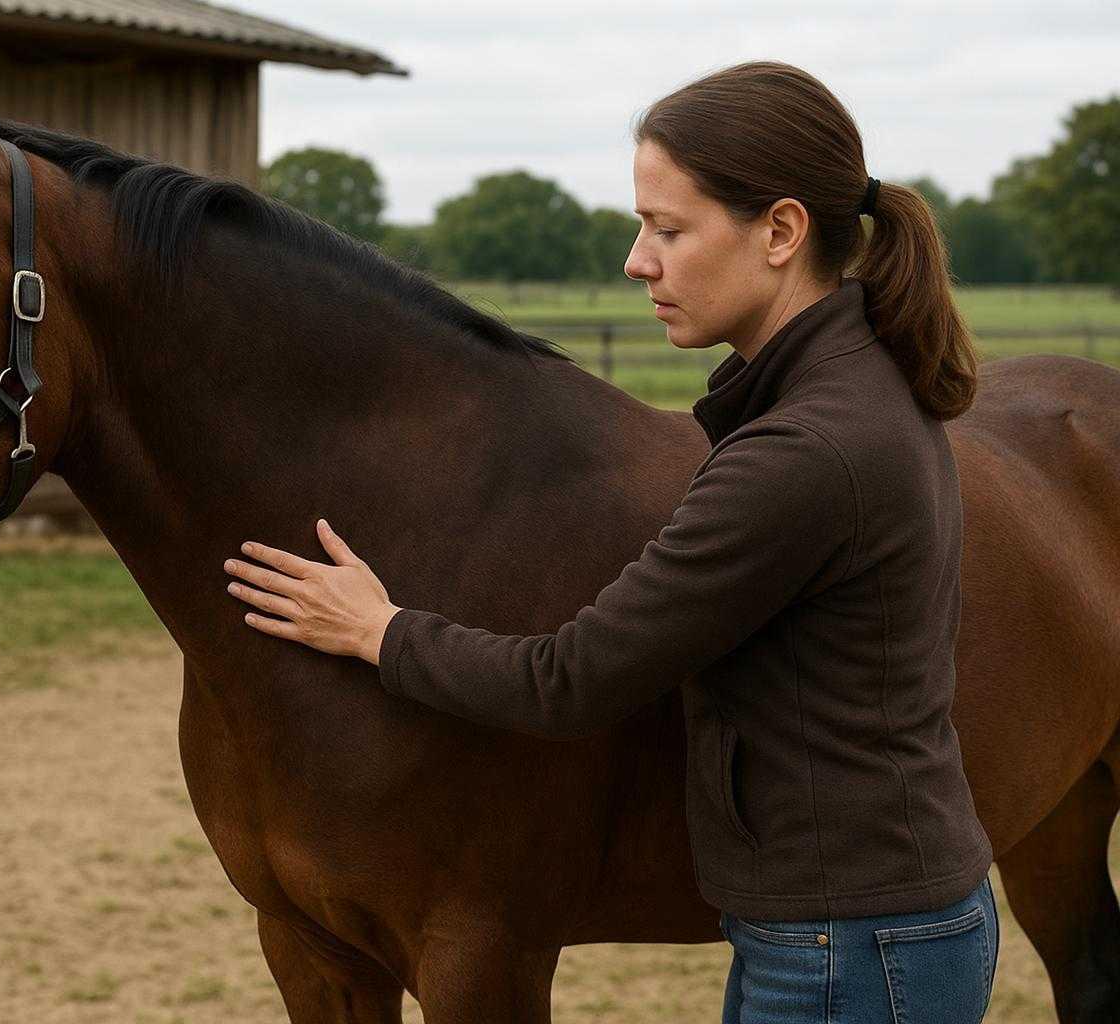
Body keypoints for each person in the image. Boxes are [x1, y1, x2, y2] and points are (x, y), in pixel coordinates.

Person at [222, 60, 999, 1024]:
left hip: (849, 945)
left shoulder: (804, 452)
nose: (638, 260)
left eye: (669, 229)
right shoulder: (860, 386)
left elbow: (571, 682)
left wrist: (380, 631)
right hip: (863, 922)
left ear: (782, 232)